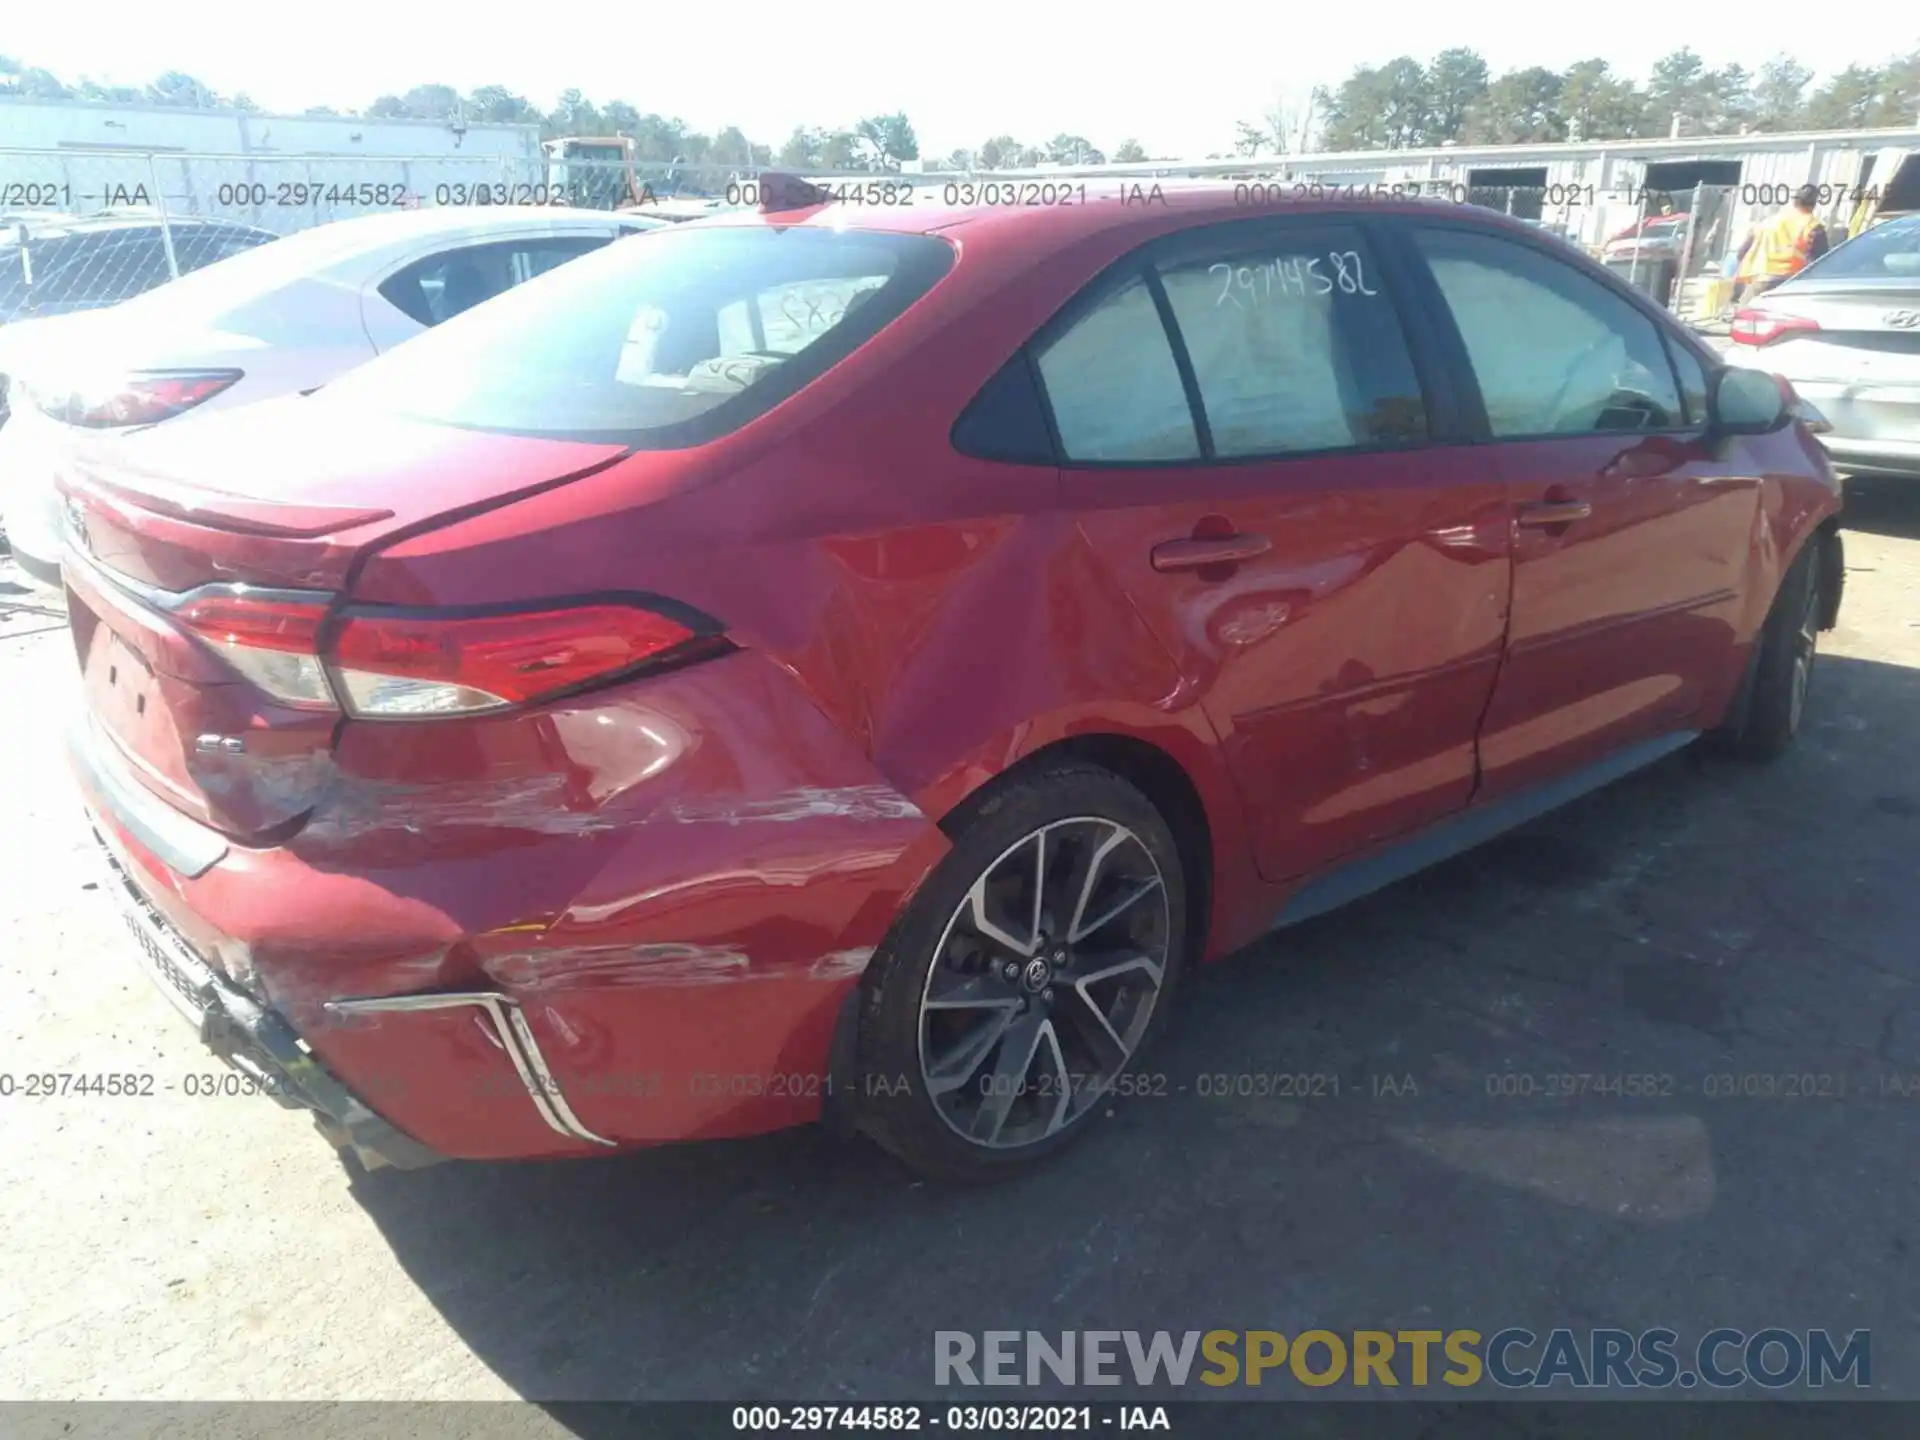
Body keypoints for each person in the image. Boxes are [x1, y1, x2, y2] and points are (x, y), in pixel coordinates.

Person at [1735, 185, 1830, 301]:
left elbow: (1741, 253)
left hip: (1761, 278)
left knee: (1746, 315)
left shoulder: (1768, 222)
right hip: (1790, 283)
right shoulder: (1813, 226)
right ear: (1814, 204)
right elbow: (1822, 261)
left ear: (1794, 201)